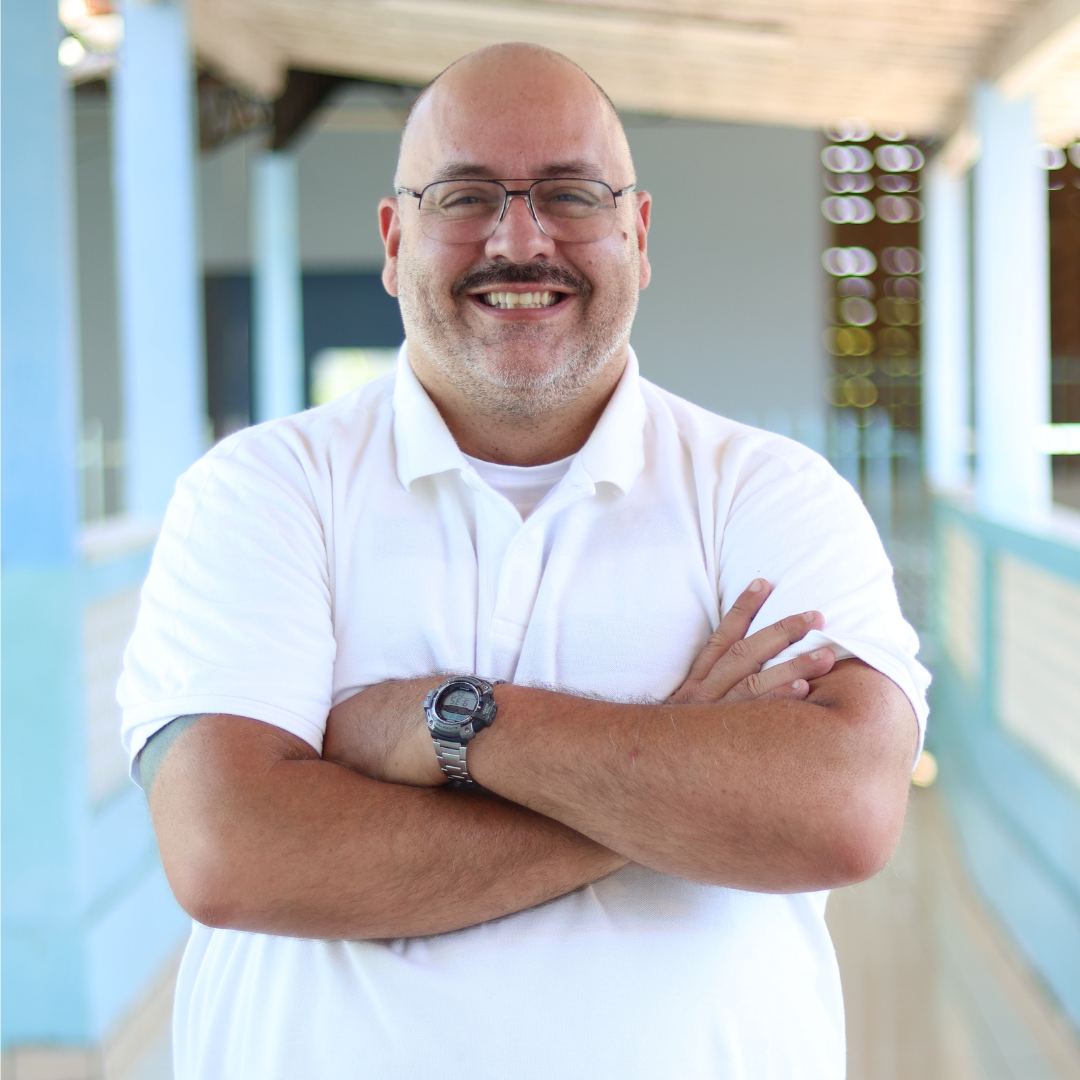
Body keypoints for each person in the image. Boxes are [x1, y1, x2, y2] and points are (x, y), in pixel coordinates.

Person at [120, 42, 928, 1080]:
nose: (518, 238)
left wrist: (447, 723)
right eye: (464, 196)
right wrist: (677, 779)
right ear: (394, 238)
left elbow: (841, 810)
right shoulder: (263, 492)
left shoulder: (767, 494)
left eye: (570, 194)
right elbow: (233, 851)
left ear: (638, 234)